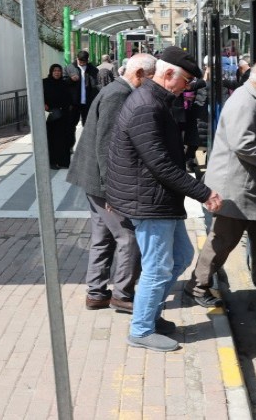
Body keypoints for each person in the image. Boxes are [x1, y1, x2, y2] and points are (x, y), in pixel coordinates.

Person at [106, 45, 223, 353]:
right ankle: (141, 329)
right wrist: (204, 193)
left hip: (157, 199)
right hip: (149, 201)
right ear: (169, 73)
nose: (187, 87)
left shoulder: (155, 99)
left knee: (181, 256)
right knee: (157, 268)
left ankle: (150, 317)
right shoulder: (147, 105)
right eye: (186, 80)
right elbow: (159, 164)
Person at [184, 61, 256, 307]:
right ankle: (197, 286)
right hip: (237, 189)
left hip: (251, 188)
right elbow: (243, 144)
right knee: (222, 239)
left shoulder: (252, 97)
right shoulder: (245, 101)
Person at [67, 54, 156, 313]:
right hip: (101, 181)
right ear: (139, 74)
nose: (152, 84)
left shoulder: (115, 90)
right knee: (128, 237)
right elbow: (107, 145)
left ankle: (96, 293)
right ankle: (122, 294)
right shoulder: (119, 94)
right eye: (151, 78)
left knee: (103, 236)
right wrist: (111, 189)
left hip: (93, 178)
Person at [42, 64, 73, 169]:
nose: (57, 72)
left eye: (59, 71)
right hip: (51, 117)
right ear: (51, 72)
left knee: (63, 139)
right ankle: (53, 162)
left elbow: (69, 98)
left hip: (63, 116)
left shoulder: (64, 83)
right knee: (52, 139)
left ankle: (63, 162)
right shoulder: (45, 83)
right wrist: (44, 103)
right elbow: (39, 95)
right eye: (55, 71)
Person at [62, 50, 100, 132]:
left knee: (88, 125)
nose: (82, 63)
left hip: (88, 102)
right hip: (74, 102)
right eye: (80, 61)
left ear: (87, 60)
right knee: (71, 124)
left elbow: (97, 84)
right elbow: (63, 82)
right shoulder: (69, 68)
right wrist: (71, 79)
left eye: (84, 61)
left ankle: (86, 139)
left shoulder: (93, 69)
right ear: (77, 58)